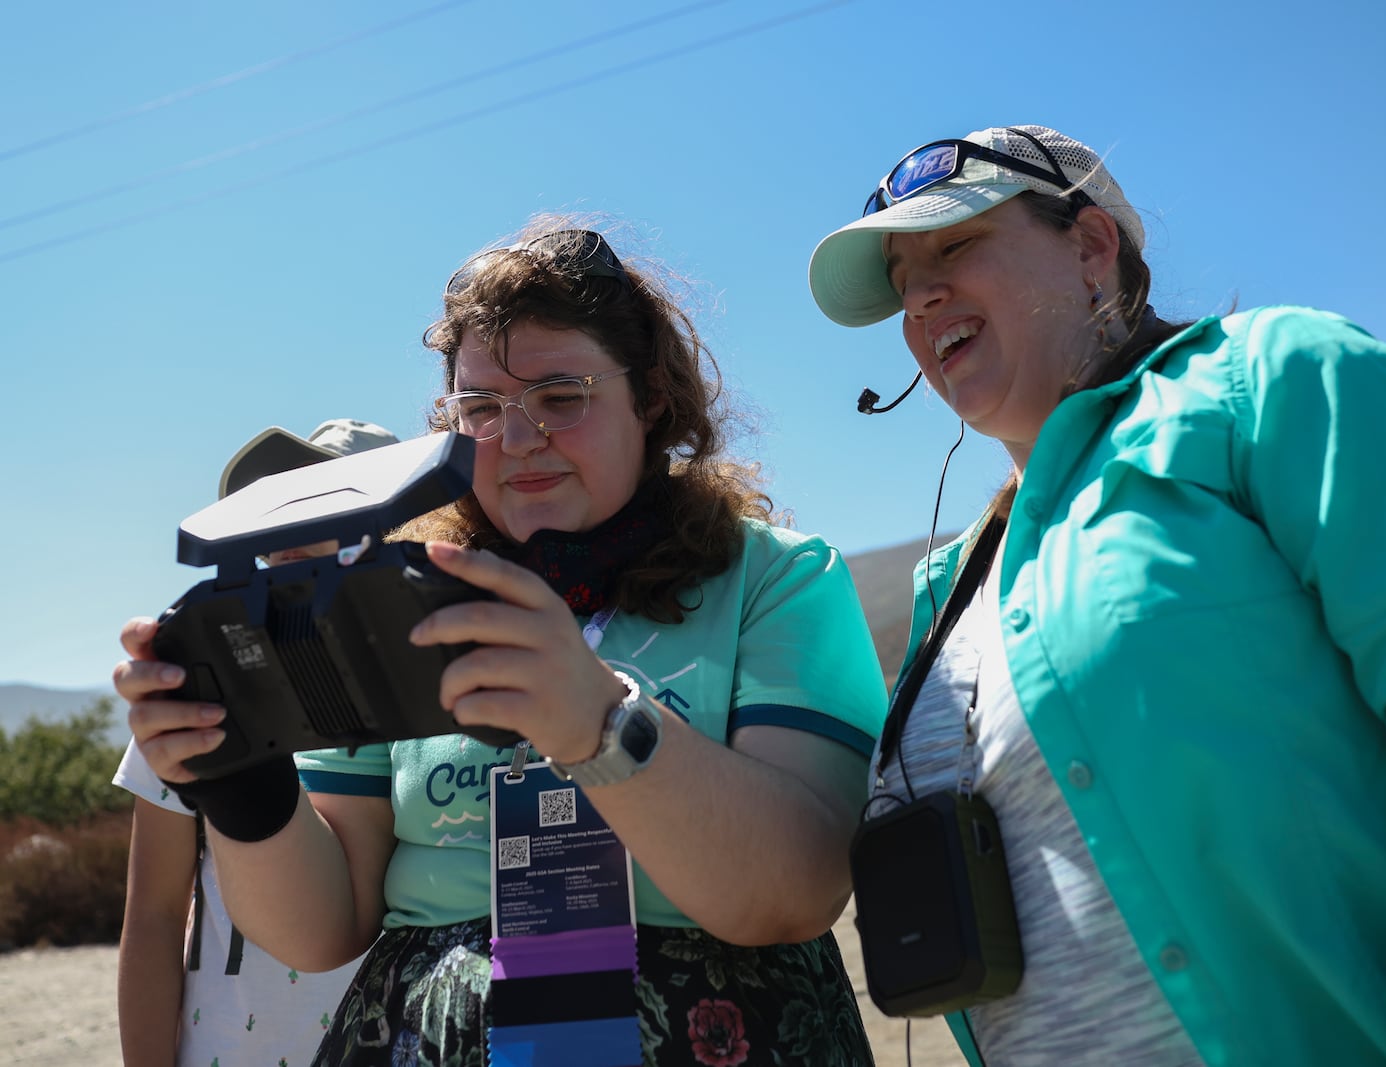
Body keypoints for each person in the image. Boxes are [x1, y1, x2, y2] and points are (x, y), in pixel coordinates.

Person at [808, 124, 1386, 1065]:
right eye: (902, 283)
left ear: (1092, 247)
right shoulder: (955, 586)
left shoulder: (1282, 385)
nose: (922, 296)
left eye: (954, 245)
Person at [115, 219, 888, 1066]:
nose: (517, 441)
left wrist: (599, 724)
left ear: (652, 398)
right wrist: (243, 783)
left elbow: (799, 888)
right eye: (480, 409)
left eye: (562, 397)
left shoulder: (775, 580)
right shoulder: (397, 602)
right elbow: (321, 927)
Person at [115, 418, 398, 1067]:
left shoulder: (438, 684)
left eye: (327, 499)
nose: (289, 527)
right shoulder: (192, 679)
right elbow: (154, 914)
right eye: (280, 507)